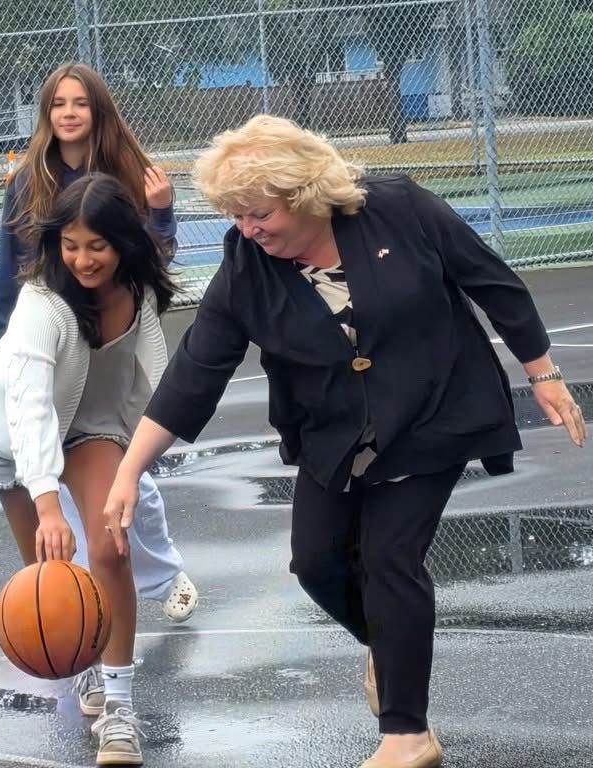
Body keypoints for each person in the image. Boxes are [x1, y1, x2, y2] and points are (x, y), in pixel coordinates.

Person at [101, 116, 588, 768]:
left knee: (390, 557)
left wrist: (544, 374)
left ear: (303, 193)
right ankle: (388, 647)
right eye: (236, 215)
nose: (247, 228)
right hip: (335, 429)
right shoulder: (247, 263)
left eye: (259, 212)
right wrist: (131, 469)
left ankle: (407, 735)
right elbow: (196, 371)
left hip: (433, 409)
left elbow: (489, 280)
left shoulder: (398, 208)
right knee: (316, 562)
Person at [0, 63, 198, 704]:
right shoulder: (30, 189)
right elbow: (27, 398)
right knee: (49, 557)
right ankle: (77, 651)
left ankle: (120, 691)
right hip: (23, 400)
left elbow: (153, 278)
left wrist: (160, 217)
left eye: (81, 103)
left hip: (98, 402)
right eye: (59, 103)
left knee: (118, 522)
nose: (70, 113)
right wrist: (10, 349)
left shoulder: (128, 182)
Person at [0, 173, 180, 764]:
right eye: (70, 244)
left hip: (92, 425)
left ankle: (118, 711)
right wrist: (45, 502)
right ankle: (82, 663)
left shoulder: (138, 292)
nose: (83, 259)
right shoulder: (42, 301)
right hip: (12, 431)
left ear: (123, 244)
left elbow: (148, 380)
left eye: (98, 245)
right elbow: (32, 404)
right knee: (51, 566)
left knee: (110, 548)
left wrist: (138, 462)